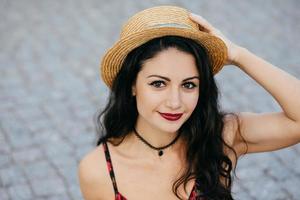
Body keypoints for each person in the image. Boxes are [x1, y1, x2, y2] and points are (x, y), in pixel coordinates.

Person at [78, 5, 300, 200]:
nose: (175, 103)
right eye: (158, 84)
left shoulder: (221, 136)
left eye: (189, 85)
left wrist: (238, 55)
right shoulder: (99, 171)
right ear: (132, 85)